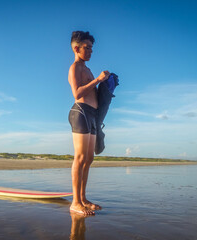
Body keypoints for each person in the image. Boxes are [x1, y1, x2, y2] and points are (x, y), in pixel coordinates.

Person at [68, 31, 110, 215]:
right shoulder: (75, 67)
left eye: (92, 48)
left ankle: (83, 198)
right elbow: (77, 93)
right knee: (80, 158)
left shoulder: (88, 69)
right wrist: (98, 80)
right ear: (77, 48)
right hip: (81, 112)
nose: (91, 51)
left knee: (90, 158)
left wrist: (106, 84)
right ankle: (75, 202)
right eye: (87, 48)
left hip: (93, 114)